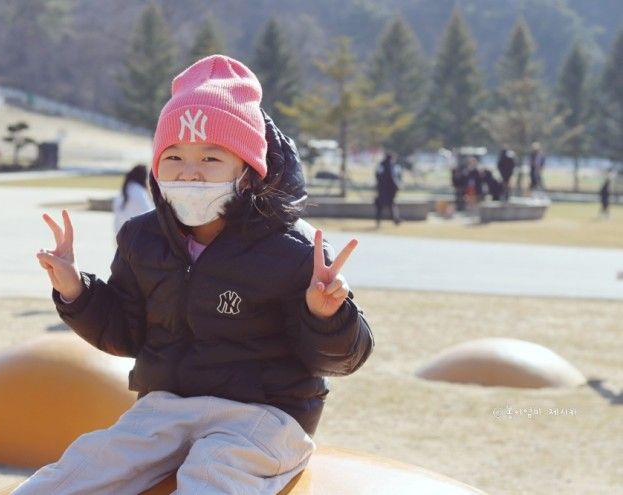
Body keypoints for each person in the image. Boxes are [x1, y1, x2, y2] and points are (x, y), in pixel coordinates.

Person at [21, 55, 373, 494]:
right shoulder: (141, 237)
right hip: (166, 406)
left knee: (212, 473)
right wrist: (76, 291)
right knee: (83, 467)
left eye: (210, 158)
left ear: (247, 172)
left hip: (265, 414)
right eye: (173, 157)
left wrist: (326, 317)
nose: (189, 172)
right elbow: (126, 333)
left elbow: (340, 358)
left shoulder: (293, 249)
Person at [112, 164, 154, 236]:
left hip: (121, 236)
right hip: (135, 238)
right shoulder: (139, 193)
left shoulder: (123, 192)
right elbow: (151, 216)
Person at [374, 153, 401, 227]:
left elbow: (377, 175)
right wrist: (396, 186)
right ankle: (396, 220)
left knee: (381, 206)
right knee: (392, 205)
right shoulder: (391, 166)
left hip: (381, 190)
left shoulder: (381, 165)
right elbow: (392, 178)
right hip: (388, 191)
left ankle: (379, 221)